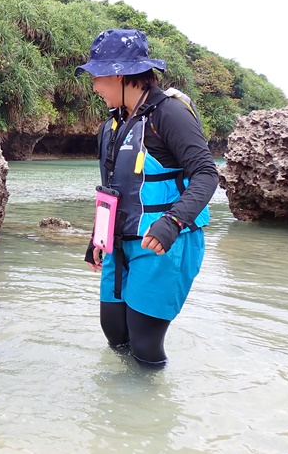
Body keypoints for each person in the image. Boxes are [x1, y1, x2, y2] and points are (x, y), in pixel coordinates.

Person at [75, 29, 219, 367]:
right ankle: (119, 413)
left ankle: (151, 414)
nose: (94, 86)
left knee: (143, 343)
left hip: (164, 242)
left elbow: (206, 174)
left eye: (98, 77)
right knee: (114, 333)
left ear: (121, 75)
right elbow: (111, 188)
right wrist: (98, 237)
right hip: (120, 243)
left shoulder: (168, 114)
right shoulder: (111, 126)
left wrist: (172, 222)